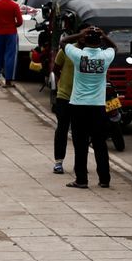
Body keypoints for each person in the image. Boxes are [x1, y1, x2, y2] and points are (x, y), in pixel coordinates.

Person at [64, 26, 116, 189]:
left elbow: (63, 42)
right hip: (98, 106)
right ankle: (104, 179)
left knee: (80, 144)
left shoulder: (78, 55)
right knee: (100, 144)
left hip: (78, 105)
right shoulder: (105, 57)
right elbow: (114, 48)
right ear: (99, 41)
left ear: (84, 40)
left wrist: (80, 34)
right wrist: (104, 35)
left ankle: (81, 180)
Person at [51, 32, 81, 175]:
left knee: (79, 132)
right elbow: (56, 69)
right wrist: (62, 84)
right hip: (64, 96)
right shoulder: (68, 50)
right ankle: (58, 162)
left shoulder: (92, 53)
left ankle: (79, 163)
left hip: (81, 99)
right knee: (62, 129)